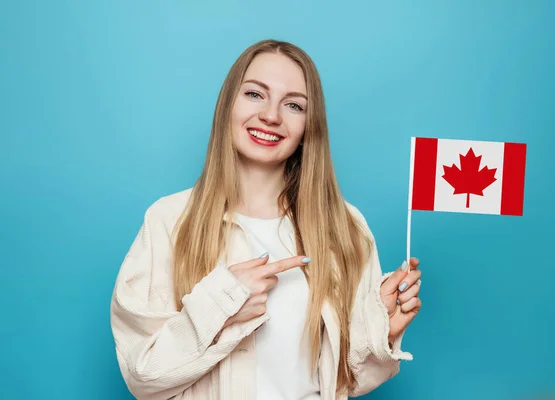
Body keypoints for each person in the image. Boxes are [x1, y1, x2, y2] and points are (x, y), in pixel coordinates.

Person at [109, 39, 422, 400]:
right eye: (255, 94)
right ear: (228, 104)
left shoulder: (345, 227)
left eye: (293, 105)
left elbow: (343, 383)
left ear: (309, 127)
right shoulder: (169, 220)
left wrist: (377, 333)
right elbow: (142, 376)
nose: (271, 115)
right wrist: (223, 305)